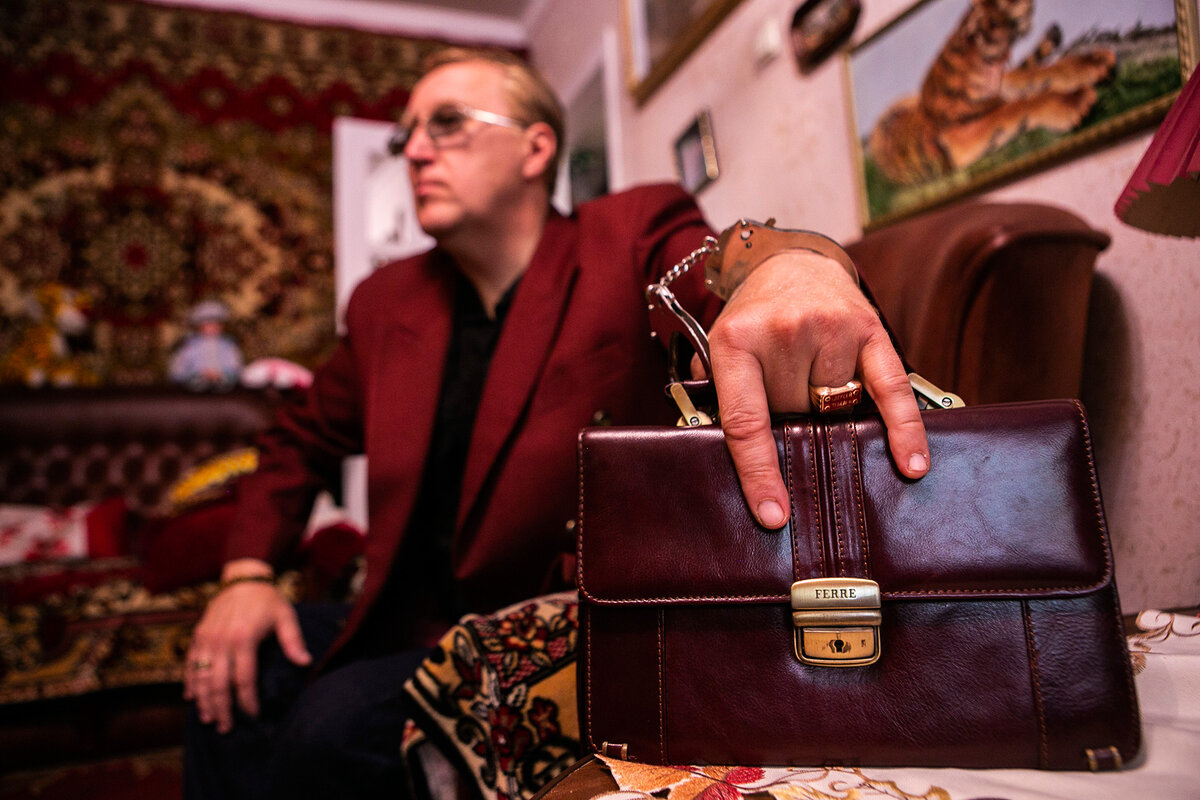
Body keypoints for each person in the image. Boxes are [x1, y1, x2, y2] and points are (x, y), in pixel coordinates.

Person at [183, 47, 929, 799]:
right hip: (410, 618)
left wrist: (790, 268)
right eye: (408, 132)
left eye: (447, 123)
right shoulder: (385, 302)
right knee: (228, 670)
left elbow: (714, 264)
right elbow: (298, 439)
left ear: (536, 147)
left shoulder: (628, 234)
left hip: (573, 629)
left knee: (331, 729)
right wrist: (247, 575)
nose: (414, 150)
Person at [169, 300, 244, 391]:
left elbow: (236, 367)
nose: (213, 327)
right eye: (208, 324)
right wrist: (199, 374)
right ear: (200, 326)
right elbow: (178, 371)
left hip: (223, 390)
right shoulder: (190, 346)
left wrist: (221, 374)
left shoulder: (228, 345)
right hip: (194, 391)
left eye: (216, 324)